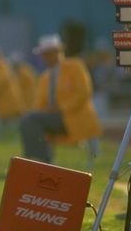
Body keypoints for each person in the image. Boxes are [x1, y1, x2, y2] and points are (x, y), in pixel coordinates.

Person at [19, 34, 102, 164]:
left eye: (49, 53)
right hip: (54, 119)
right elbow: (39, 104)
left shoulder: (75, 66)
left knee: (30, 119)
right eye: (44, 54)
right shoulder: (45, 77)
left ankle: (40, 160)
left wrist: (60, 108)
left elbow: (84, 92)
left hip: (74, 117)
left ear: (59, 52)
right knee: (28, 120)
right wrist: (43, 112)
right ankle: (37, 160)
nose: (46, 57)